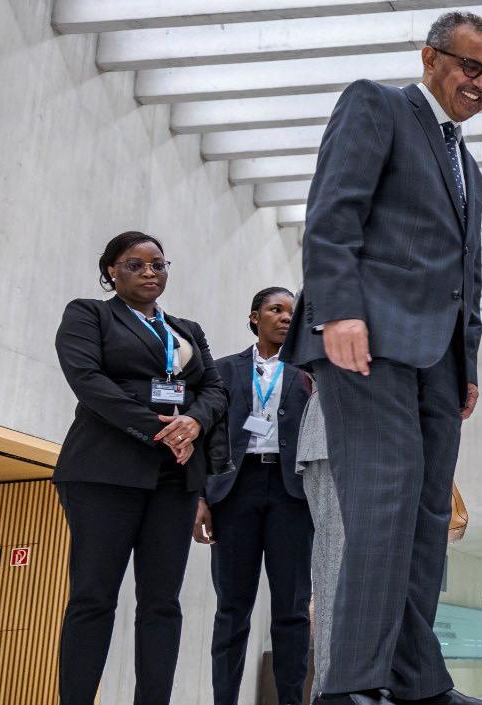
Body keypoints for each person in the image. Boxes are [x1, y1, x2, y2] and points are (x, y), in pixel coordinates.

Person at [279, 11, 482, 705]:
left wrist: (465, 362)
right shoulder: (375, 104)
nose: (481, 82)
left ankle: (414, 679)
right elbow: (332, 212)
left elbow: (465, 272)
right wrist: (338, 308)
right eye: (470, 66)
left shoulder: (466, 163)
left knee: (424, 517)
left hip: (436, 360)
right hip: (365, 339)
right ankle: (349, 684)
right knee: (382, 505)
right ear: (429, 57)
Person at [53, 231, 228, 705]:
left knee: (162, 603)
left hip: (175, 478)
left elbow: (214, 389)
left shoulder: (187, 329)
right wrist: (160, 428)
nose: (150, 272)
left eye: (158, 264)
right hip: (105, 472)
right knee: (94, 598)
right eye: (135, 264)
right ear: (111, 271)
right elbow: (88, 381)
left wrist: (192, 421)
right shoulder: (88, 314)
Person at [196, 287, 315, 705]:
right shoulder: (222, 370)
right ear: (254, 317)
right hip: (235, 491)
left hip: (294, 496)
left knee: (293, 611)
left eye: (292, 312)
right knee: (232, 608)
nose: (285, 317)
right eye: (275, 310)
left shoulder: (312, 373)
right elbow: (204, 436)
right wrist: (201, 497)